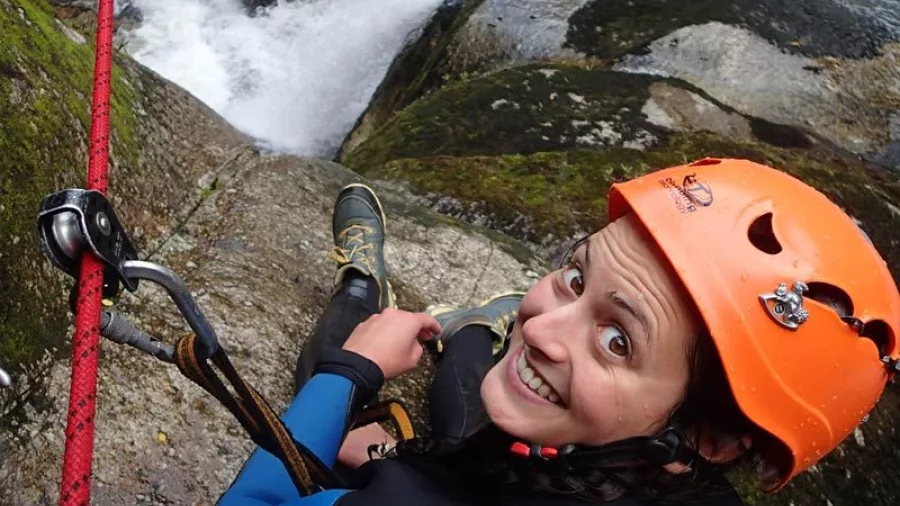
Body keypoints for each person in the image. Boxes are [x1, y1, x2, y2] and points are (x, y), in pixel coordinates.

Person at [218, 158, 900, 505]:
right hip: (526, 470)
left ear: (711, 438)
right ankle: (475, 333)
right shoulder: (668, 476)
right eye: (576, 276)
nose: (542, 325)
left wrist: (352, 374)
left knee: (337, 367)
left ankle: (361, 289)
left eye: (618, 340)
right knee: (476, 372)